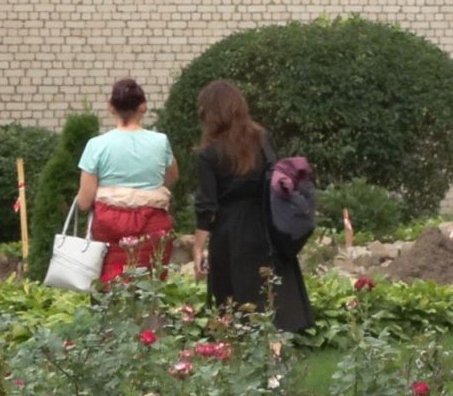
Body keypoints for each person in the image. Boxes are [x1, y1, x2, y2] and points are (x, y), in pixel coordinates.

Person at [192, 80, 313, 333]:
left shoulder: (209, 153)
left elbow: (206, 207)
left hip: (230, 233)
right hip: (267, 224)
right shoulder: (262, 138)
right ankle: (276, 363)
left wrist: (198, 249)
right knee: (271, 296)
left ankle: (238, 354)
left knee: (233, 299)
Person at [76, 78, 177, 283]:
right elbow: (172, 177)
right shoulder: (160, 142)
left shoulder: (96, 146)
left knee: (109, 289)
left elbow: (84, 202)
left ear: (111, 108)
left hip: (108, 225)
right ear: (143, 107)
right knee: (150, 287)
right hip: (153, 225)